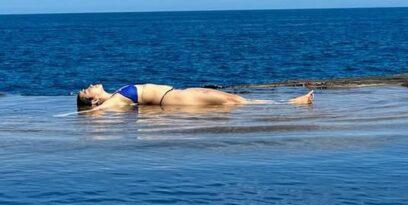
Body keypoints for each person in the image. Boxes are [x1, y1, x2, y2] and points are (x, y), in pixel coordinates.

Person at [76, 82, 313, 112]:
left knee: (233, 98)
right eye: (86, 92)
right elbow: (97, 113)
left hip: (178, 93)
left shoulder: (117, 94)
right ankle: (292, 104)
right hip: (174, 100)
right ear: (94, 100)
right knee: (232, 103)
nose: (88, 86)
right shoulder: (115, 101)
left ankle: (289, 103)